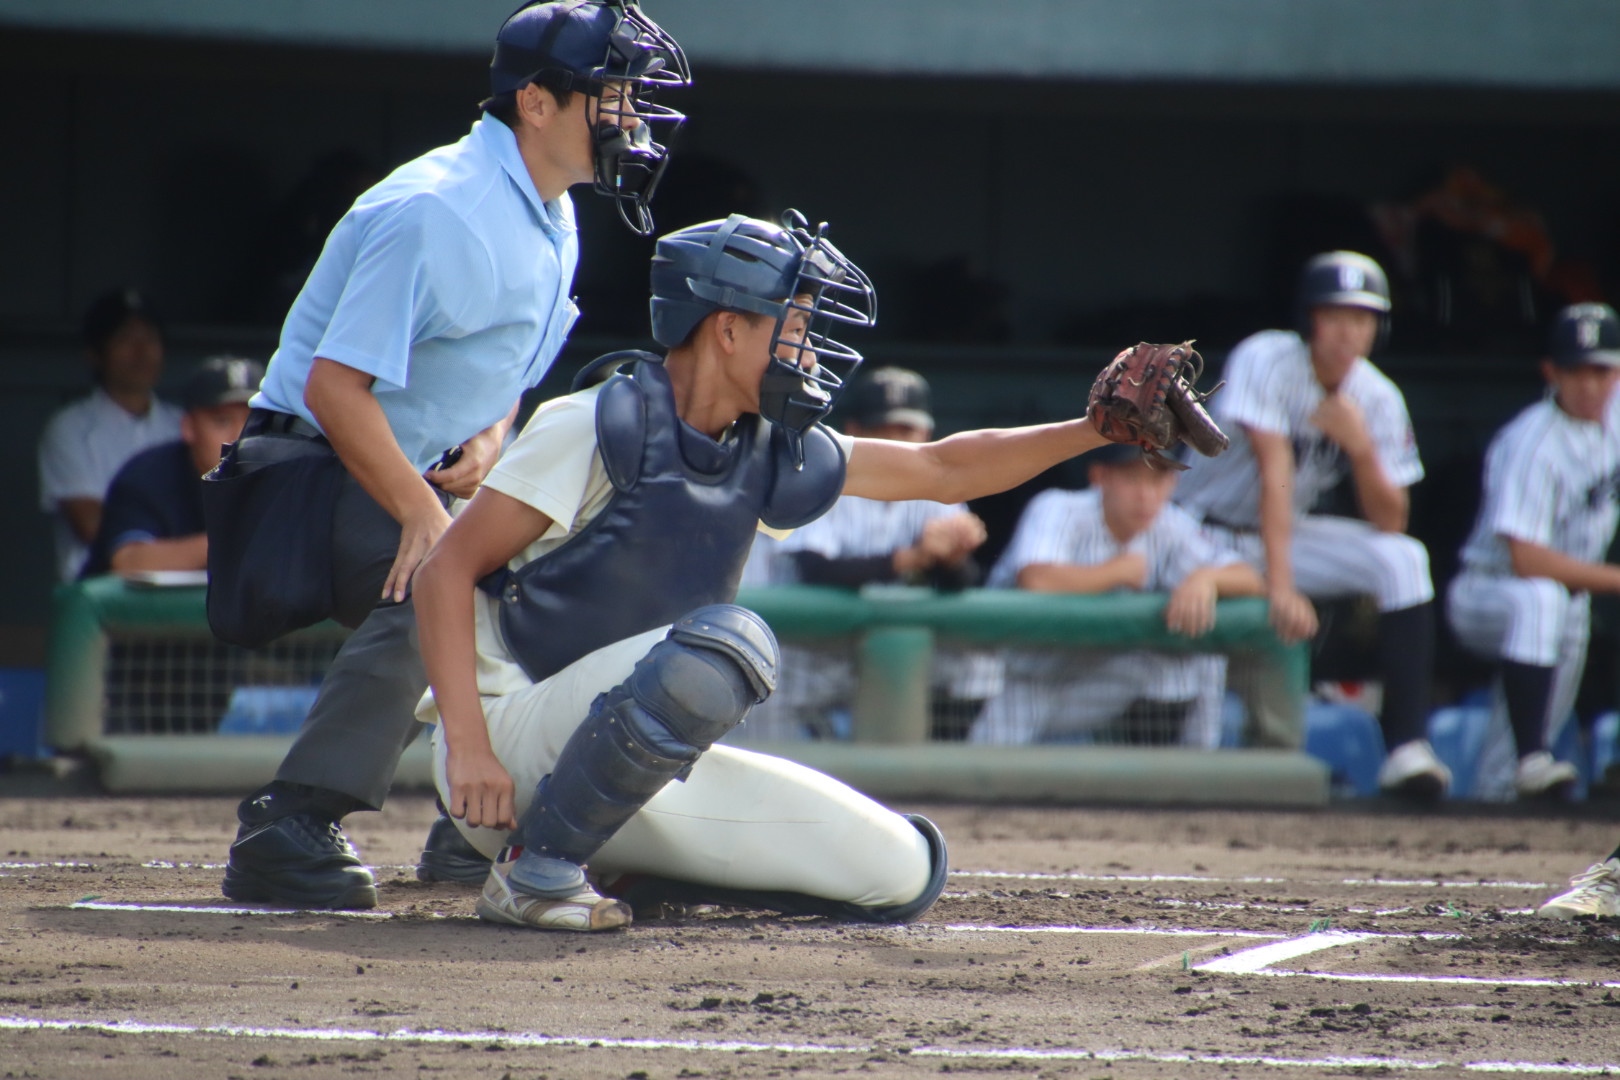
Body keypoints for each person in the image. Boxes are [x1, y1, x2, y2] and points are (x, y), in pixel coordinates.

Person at [410, 210, 1146, 932]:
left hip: (619, 768)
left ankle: (621, 862)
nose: (807, 348)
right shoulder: (592, 421)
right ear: (727, 328)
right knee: (724, 644)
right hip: (508, 742)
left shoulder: (763, 443)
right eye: (791, 326)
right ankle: (534, 875)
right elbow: (444, 572)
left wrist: (1091, 430)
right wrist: (471, 749)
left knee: (901, 872)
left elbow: (942, 466)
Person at [214, 0, 691, 911]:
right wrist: (427, 518)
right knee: (450, 578)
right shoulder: (435, 207)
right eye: (613, 95)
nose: (632, 118)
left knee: (570, 564)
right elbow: (331, 387)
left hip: (408, 467)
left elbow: (499, 368)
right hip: (304, 474)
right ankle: (288, 822)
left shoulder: (553, 214)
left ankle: (477, 822)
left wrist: (488, 439)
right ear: (538, 103)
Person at [1173, 251, 1447, 797]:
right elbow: (1275, 469)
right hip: (1198, 531)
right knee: (1193, 692)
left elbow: (1391, 520)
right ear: (1310, 320)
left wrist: (1362, 447)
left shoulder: (1377, 396)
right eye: (1336, 316)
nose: (1350, 332)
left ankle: (1408, 747)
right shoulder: (1267, 357)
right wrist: (1283, 586)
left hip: (1280, 536)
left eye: (1363, 318)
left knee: (1405, 558)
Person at [745, 366, 1000, 741]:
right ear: (856, 433)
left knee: (975, 665)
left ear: (926, 434)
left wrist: (952, 559)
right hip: (798, 660)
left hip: (871, 665)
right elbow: (814, 568)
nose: (899, 441)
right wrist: (913, 558)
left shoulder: (935, 487)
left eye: (908, 430)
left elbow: (966, 581)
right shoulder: (822, 476)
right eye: (884, 430)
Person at [970, 443, 1264, 747]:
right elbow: (1037, 578)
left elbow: (1252, 579)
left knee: (1199, 659)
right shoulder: (1059, 507)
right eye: (1133, 479)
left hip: (1095, 678)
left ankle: (1192, 772)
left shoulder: (1169, 523)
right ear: (1100, 477)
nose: (1146, 495)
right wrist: (1118, 571)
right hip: (1017, 676)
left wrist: (1206, 579)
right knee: (981, 771)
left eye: (1157, 481)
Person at [1447, 303, 1620, 802]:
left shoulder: (1611, 418)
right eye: (1576, 370)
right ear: (1552, 372)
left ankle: (1503, 805)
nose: (1589, 384)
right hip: (1492, 592)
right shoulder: (1532, 441)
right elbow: (1527, 561)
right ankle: (1532, 760)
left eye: (1601, 370)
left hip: (1567, 599)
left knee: (1513, 762)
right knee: (1541, 599)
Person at [39, 289, 183, 582]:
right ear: (94, 354)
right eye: (125, 339)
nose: (141, 351)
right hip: (98, 594)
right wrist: (178, 549)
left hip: (176, 592)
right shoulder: (70, 427)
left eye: (151, 338)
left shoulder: (182, 424)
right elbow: (91, 526)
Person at [79, 356, 263, 579]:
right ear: (188, 427)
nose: (239, 438)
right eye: (222, 421)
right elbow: (128, 562)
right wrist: (232, 543)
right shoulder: (148, 476)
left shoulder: (288, 476)